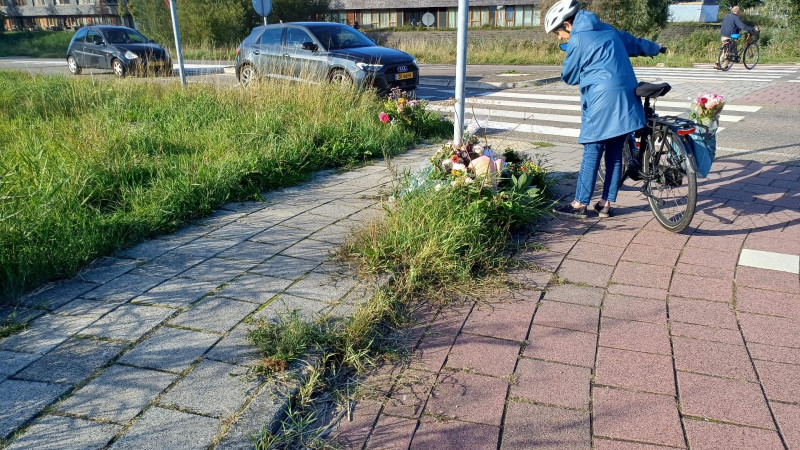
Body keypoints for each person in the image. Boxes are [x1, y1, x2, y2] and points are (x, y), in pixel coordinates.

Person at [545, 0, 664, 219]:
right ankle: (605, 204)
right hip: (626, 95)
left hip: (602, 99)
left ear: (568, 25)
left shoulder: (578, 38)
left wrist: (575, 56)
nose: (560, 38)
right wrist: (656, 48)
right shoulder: (606, 28)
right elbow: (633, 43)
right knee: (615, 152)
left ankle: (579, 204)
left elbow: (569, 76)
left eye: (558, 33)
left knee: (592, 150)